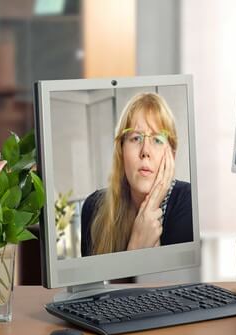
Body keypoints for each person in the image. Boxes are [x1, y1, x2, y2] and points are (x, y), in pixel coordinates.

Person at [81, 92, 193, 257]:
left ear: (171, 155)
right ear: (121, 149)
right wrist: (137, 245)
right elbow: (91, 282)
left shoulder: (188, 201)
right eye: (135, 138)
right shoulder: (93, 207)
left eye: (157, 140)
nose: (145, 151)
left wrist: (154, 200)